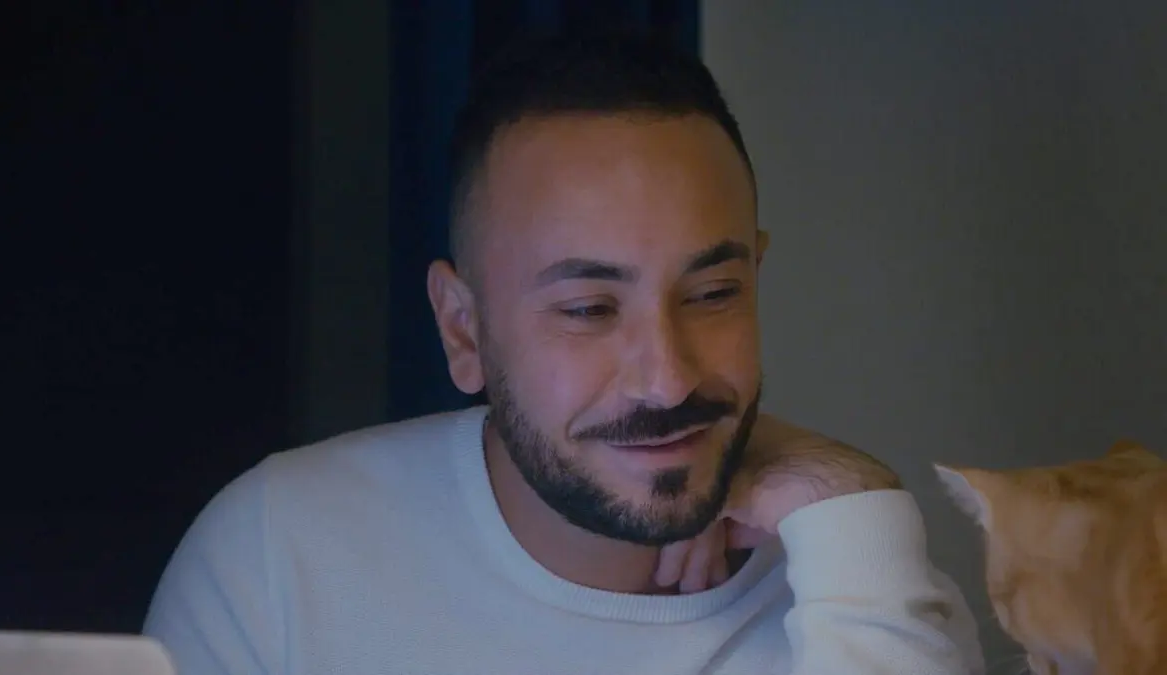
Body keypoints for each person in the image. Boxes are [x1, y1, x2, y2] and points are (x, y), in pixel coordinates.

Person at [144, 32, 985, 674]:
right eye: (589, 309)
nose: (668, 379)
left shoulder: (855, 577)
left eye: (712, 294)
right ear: (462, 329)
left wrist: (848, 504)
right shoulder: (280, 555)